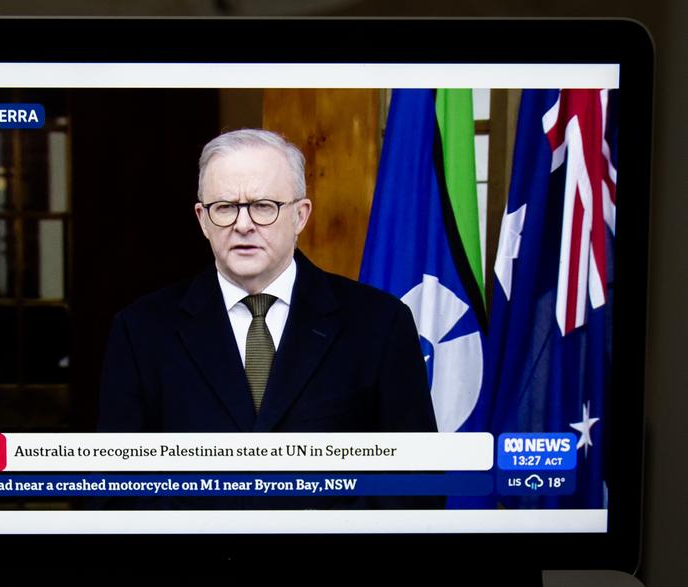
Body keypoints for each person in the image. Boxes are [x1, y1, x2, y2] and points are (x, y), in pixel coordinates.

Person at [96, 129, 437, 507]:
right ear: (203, 220)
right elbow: (115, 489)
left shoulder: (379, 323)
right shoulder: (142, 331)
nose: (243, 224)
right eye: (225, 207)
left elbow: (415, 482)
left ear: (300, 215)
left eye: (263, 206)